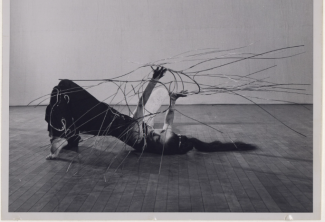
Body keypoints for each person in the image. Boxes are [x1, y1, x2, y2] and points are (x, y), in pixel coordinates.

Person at [45, 67, 254, 159]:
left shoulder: (139, 135)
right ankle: (67, 138)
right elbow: (166, 122)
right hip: (99, 120)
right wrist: (171, 101)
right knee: (61, 93)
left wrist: (155, 81)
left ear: (162, 146)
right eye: (163, 132)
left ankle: (60, 138)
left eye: (161, 135)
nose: (160, 131)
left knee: (64, 87)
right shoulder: (149, 141)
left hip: (99, 116)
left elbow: (144, 105)